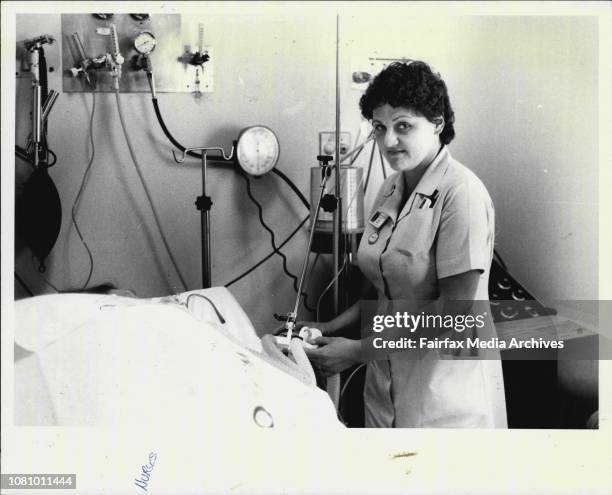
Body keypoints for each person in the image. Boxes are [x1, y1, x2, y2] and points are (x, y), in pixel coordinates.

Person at [301, 61, 507, 428]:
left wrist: (357, 352)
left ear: (438, 124)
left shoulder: (462, 193)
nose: (388, 141)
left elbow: (454, 311)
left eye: (403, 126)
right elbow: (386, 290)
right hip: (387, 378)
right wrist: (333, 326)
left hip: (445, 389)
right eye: (379, 128)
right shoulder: (390, 188)